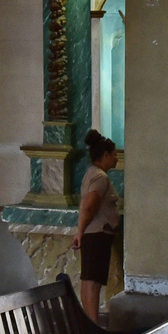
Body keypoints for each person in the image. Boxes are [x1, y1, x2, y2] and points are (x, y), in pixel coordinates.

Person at [71, 129, 121, 321]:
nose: (117, 158)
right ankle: (93, 324)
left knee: (88, 280)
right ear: (105, 155)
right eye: (114, 154)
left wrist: (81, 232)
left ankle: (89, 323)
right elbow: (90, 206)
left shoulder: (91, 173)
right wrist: (80, 232)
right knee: (92, 282)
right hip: (98, 233)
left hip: (93, 234)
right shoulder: (100, 177)